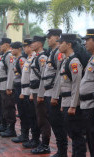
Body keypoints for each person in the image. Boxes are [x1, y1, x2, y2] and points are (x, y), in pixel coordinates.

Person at [55, 34, 86, 157]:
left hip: (73, 104)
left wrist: (73, 105)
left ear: (69, 44)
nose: (59, 45)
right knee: (71, 132)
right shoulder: (66, 61)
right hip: (66, 101)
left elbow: (76, 85)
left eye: (61, 42)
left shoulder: (74, 62)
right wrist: (64, 104)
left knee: (77, 133)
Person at [43, 29, 68, 157]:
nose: (48, 39)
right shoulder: (52, 52)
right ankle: (61, 150)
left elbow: (59, 75)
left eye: (50, 37)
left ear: (57, 37)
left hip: (54, 93)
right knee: (54, 122)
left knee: (58, 123)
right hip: (49, 92)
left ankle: (62, 151)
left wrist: (55, 95)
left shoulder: (58, 53)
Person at [29, 36, 51, 154]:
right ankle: (40, 142)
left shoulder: (42, 58)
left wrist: (41, 94)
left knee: (43, 119)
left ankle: (45, 145)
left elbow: (44, 77)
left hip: (40, 92)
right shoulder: (36, 57)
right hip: (35, 91)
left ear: (40, 44)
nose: (31, 44)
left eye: (34, 42)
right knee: (38, 118)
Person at [0, 38, 16, 137]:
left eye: (2, 44)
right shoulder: (4, 56)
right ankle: (6, 126)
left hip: (6, 86)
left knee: (9, 107)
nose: (0, 46)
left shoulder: (9, 56)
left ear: (6, 45)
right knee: (5, 107)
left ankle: (11, 129)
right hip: (2, 85)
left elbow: (11, 72)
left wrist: (9, 87)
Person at [80, 29, 94, 157]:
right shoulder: (91, 58)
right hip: (87, 105)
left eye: (87, 40)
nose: (85, 43)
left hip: (92, 105)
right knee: (90, 137)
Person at [10, 41, 27, 143]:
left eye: (13, 48)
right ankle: (23, 134)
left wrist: (22, 91)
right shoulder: (17, 59)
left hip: (21, 88)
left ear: (19, 49)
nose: (12, 50)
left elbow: (24, 76)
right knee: (20, 112)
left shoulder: (21, 60)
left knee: (24, 113)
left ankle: (25, 135)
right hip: (17, 87)